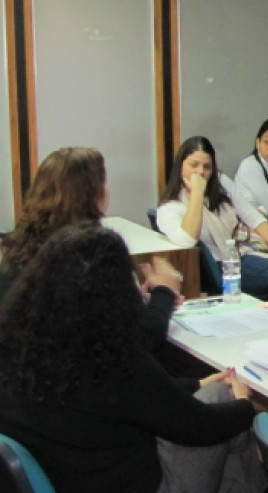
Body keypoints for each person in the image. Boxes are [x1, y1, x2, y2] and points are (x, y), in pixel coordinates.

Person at [0, 225, 268, 493]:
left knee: (232, 480)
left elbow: (139, 402)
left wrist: (193, 385)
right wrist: (247, 407)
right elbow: (196, 426)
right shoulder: (109, 359)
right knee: (219, 399)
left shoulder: (21, 348)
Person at [0, 147, 182, 348]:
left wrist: (134, 300)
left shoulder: (18, 245)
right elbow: (142, 340)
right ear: (94, 193)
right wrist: (165, 291)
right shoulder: (95, 251)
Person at [157, 136, 268, 325]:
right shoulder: (170, 207)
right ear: (180, 167)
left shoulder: (220, 183)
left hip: (244, 246)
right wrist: (197, 195)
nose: (201, 172)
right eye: (194, 165)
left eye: (207, 166)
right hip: (225, 265)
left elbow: (253, 216)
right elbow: (187, 239)